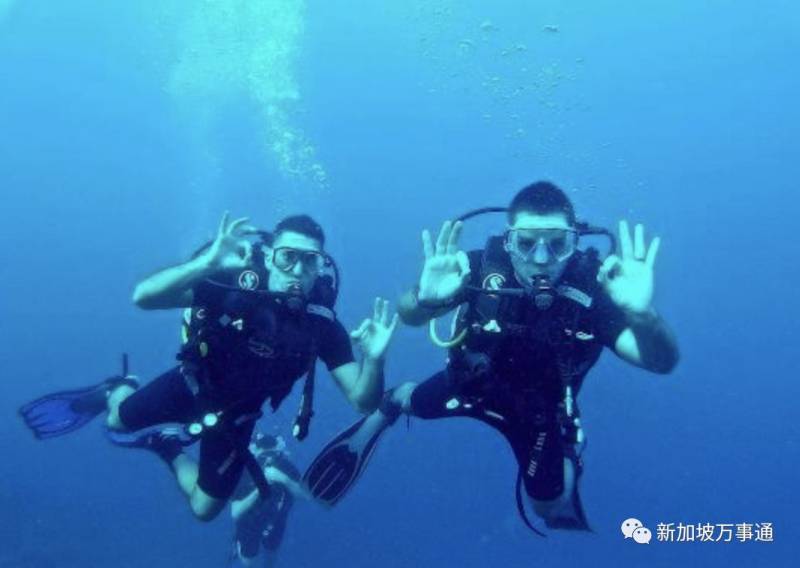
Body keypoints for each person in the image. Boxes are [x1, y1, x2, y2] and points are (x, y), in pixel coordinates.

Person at [303, 181, 679, 532]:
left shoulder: (594, 291)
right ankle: (393, 402)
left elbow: (661, 362)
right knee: (408, 401)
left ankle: (566, 455)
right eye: (526, 243)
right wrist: (425, 299)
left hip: (540, 415)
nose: (542, 258)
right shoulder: (479, 270)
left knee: (547, 508)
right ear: (508, 241)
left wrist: (644, 316)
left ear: (575, 242)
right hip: (468, 386)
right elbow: (410, 316)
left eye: (558, 244)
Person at [20, 212, 399, 521]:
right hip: (192, 384)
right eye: (288, 256)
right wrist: (205, 265)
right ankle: (114, 388)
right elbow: (144, 298)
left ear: (321, 267)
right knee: (117, 420)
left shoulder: (322, 324)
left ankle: (166, 445)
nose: (298, 269)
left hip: (238, 415)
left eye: (310, 260)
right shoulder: (236, 286)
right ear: (270, 256)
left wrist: (375, 359)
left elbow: (363, 402)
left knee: (205, 510)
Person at [229, 432, 305, 567]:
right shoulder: (245, 472)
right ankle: (238, 545)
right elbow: (235, 512)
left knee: (271, 552)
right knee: (249, 560)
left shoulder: (286, 467)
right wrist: (260, 488)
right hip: (249, 524)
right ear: (256, 454)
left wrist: (284, 479)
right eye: (264, 456)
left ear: (279, 453)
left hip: (277, 520)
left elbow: (305, 495)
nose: (268, 461)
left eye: (272, 455)